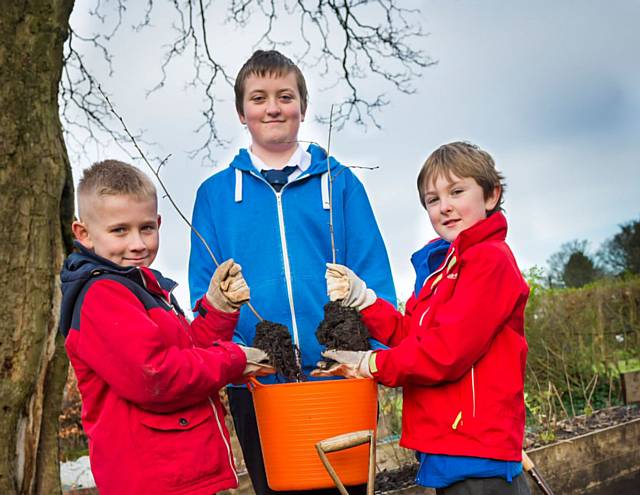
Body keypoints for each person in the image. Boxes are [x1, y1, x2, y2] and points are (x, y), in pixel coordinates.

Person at [188, 49, 396, 495]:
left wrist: (370, 356)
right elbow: (204, 291)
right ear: (241, 112)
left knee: (348, 487)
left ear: (302, 106)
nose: (273, 107)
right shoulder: (215, 195)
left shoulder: (340, 183)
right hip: (259, 381)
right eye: (259, 97)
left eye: (285, 96)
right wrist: (232, 361)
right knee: (278, 487)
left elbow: (372, 269)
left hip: (338, 373)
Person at [316, 142, 531, 495]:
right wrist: (365, 300)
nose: (444, 207)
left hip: (476, 451)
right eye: (433, 200)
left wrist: (371, 364)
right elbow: (412, 336)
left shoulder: (490, 261)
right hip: (448, 448)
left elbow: (446, 351)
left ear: (492, 196)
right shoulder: (441, 271)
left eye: (457, 192)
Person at [59, 160, 274, 495]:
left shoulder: (143, 287)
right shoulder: (103, 295)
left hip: (180, 476)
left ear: (158, 223)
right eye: (120, 230)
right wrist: (233, 360)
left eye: (146, 228)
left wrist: (217, 311)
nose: (138, 244)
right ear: (83, 234)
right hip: (152, 481)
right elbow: (155, 375)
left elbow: (187, 353)